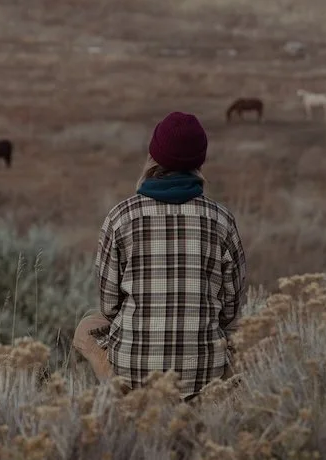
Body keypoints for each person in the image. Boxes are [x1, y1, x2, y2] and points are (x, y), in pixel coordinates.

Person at [72, 110, 248, 400]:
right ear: (199, 162)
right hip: (205, 372)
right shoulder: (222, 219)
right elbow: (231, 310)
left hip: (134, 368)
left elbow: (109, 306)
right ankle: (210, 400)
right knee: (251, 332)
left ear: (153, 156)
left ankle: (122, 393)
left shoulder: (121, 216)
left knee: (86, 327)